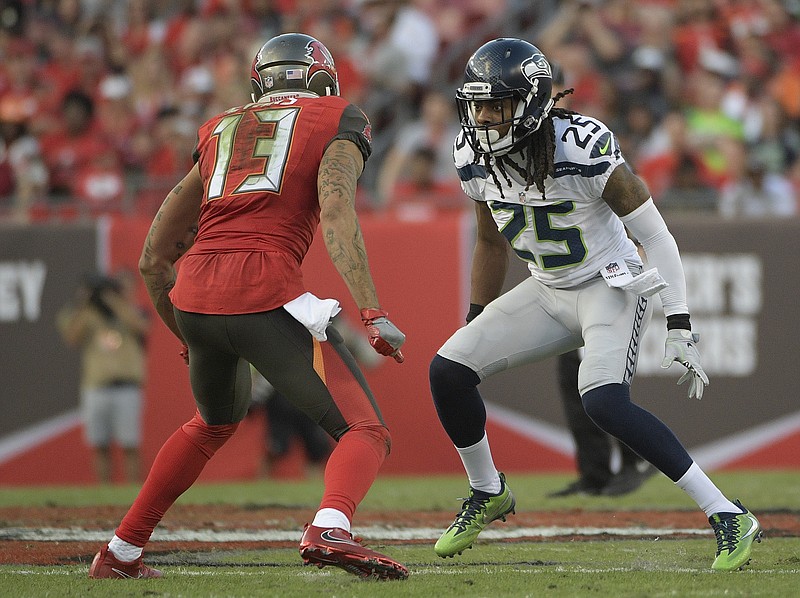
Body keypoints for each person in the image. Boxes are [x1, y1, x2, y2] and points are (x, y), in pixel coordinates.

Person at [429, 38, 761, 572]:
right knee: (448, 371)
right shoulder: (471, 155)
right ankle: (488, 491)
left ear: (532, 104)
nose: (484, 117)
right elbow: (490, 242)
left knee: (604, 402)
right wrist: (478, 317)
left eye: (498, 104)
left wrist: (680, 321)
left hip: (608, 284)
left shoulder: (581, 146)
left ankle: (727, 513)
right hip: (546, 287)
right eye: (479, 104)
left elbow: (656, 235)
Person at [88, 33, 408, 581]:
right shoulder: (337, 116)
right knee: (366, 431)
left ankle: (120, 552)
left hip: (194, 297)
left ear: (260, 80)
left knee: (212, 423)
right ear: (321, 79)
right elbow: (335, 211)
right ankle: (331, 527)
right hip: (264, 289)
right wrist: (372, 312)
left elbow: (152, 259)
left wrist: (186, 334)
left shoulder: (221, 128)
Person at [57, 270, 149, 484]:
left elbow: (140, 326)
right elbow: (71, 337)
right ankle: (103, 492)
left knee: (130, 443)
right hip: (96, 386)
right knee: (100, 444)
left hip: (127, 387)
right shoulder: (88, 314)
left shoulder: (134, 310)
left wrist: (113, 300)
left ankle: (133, 491)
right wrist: (85, 303)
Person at [549, 349, 654, 497]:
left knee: (607, 393)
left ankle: (638, 457)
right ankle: (595, 476)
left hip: (604, 330)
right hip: (574, 330)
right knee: (577, 398)